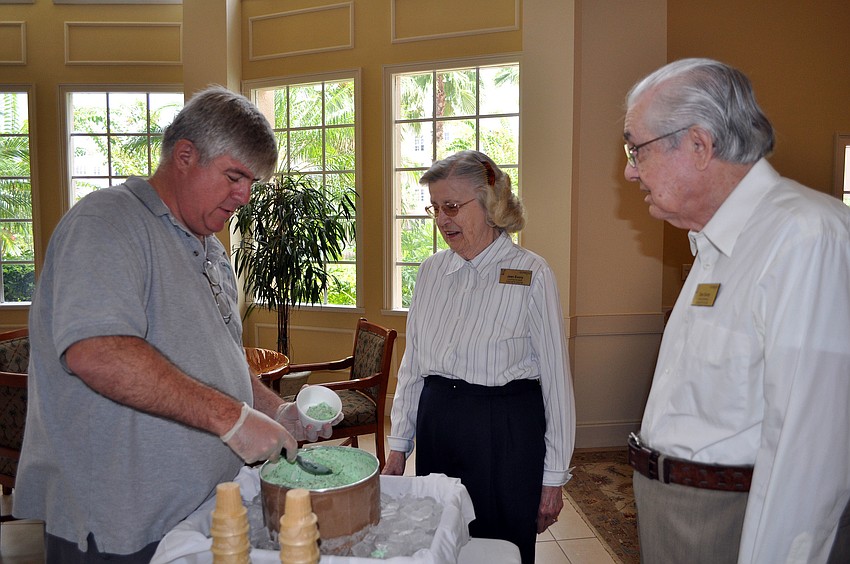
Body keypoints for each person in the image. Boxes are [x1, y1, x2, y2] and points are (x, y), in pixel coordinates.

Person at [13, 85, 337, 562]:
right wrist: (231, 419)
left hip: (201, 513)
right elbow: (96, 352)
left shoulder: (211, 248)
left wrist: (272, 409)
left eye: (251, 183)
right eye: (233, 176)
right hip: (120, 526)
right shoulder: (107, 222)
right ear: (185, 156)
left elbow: (217, 359)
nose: (244, 196)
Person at [623, 58, 850, 564]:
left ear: (700, 145)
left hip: (733, 524)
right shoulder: (715, 243)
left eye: (637, 147)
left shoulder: (804, 236)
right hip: (680, 515)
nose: (629, 168)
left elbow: (807, 456)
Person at [383, 150, 575, 564]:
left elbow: (557, 382)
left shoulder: (532, 273)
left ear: (491, 204)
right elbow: (413, 365)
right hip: (438, 428)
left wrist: (554, 476)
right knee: (441, 541)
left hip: (504, 433)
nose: (442, 219)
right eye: (435, 207)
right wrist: (399, 445)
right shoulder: (431, 272)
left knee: (501, 545)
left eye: (452, 206)